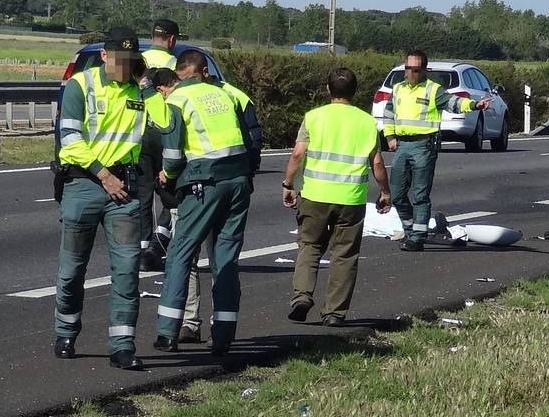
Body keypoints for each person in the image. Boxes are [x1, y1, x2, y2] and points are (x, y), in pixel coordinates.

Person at [52, 26, 149, 370]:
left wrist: (148, 86)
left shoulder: (140, 91)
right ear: (105, 56)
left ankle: (122, 346)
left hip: (124, 191)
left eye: (131, 60)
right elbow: (70, 139)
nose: (124, 66)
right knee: (71, 269)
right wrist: (104, 176)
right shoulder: (81, 84)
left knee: (127, 271)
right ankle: (65, 331)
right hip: (84, 184)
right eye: (119, 59)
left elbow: (165, 126)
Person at [154, 50, 252, 356]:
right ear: (203, 72)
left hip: (203, 181)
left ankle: (167, 332)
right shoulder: (225, 94)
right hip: (237, 179)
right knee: (225, 258)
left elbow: (173, 156)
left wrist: (168, 175)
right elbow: (247, 138)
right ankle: (223, 335)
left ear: (178, 75)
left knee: (180, 253)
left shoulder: (178, 100)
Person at [281, 67, 392, 326]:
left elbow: (297, 154)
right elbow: (377, 163)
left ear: (328, 89)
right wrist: (385, 191)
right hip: (351, 199)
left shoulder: (313, 117)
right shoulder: (367, 122)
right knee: (344, 255)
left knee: (309, 246)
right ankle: (334, 312)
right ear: (355, 91)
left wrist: (288, 184)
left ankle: (302, 297)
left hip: (315, 195)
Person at [175, 60, 264, 342]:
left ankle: (219, 325)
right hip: (190, 186)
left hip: (220, 186)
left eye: (191, 78)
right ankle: (189, 322)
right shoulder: (179, 96)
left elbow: (253, 138)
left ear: (205, 73)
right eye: (182, 80)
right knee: (188, 258)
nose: (187, 84)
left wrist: (247, 176)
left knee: (219, 259)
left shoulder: (234, 96)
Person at [383, 50, 492, 252]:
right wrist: (390, 137)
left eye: (416, 69)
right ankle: (410, 231)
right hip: (402, 145)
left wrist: (475, 105)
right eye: (407, 68)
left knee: (420, 195)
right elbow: (388, 114)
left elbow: (454, 103)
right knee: (397, 194)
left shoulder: (433, 90)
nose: (410, 73)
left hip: (423, 146)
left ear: (424, 70)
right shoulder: (398, 89)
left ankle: (417, 238)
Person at [137, 66, 180, 273]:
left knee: (143, 200)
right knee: (171, 200)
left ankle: (144, 251)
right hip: (162, 148)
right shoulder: (170, 99)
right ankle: (155, 248)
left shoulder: (140, 93)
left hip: (141, 145)